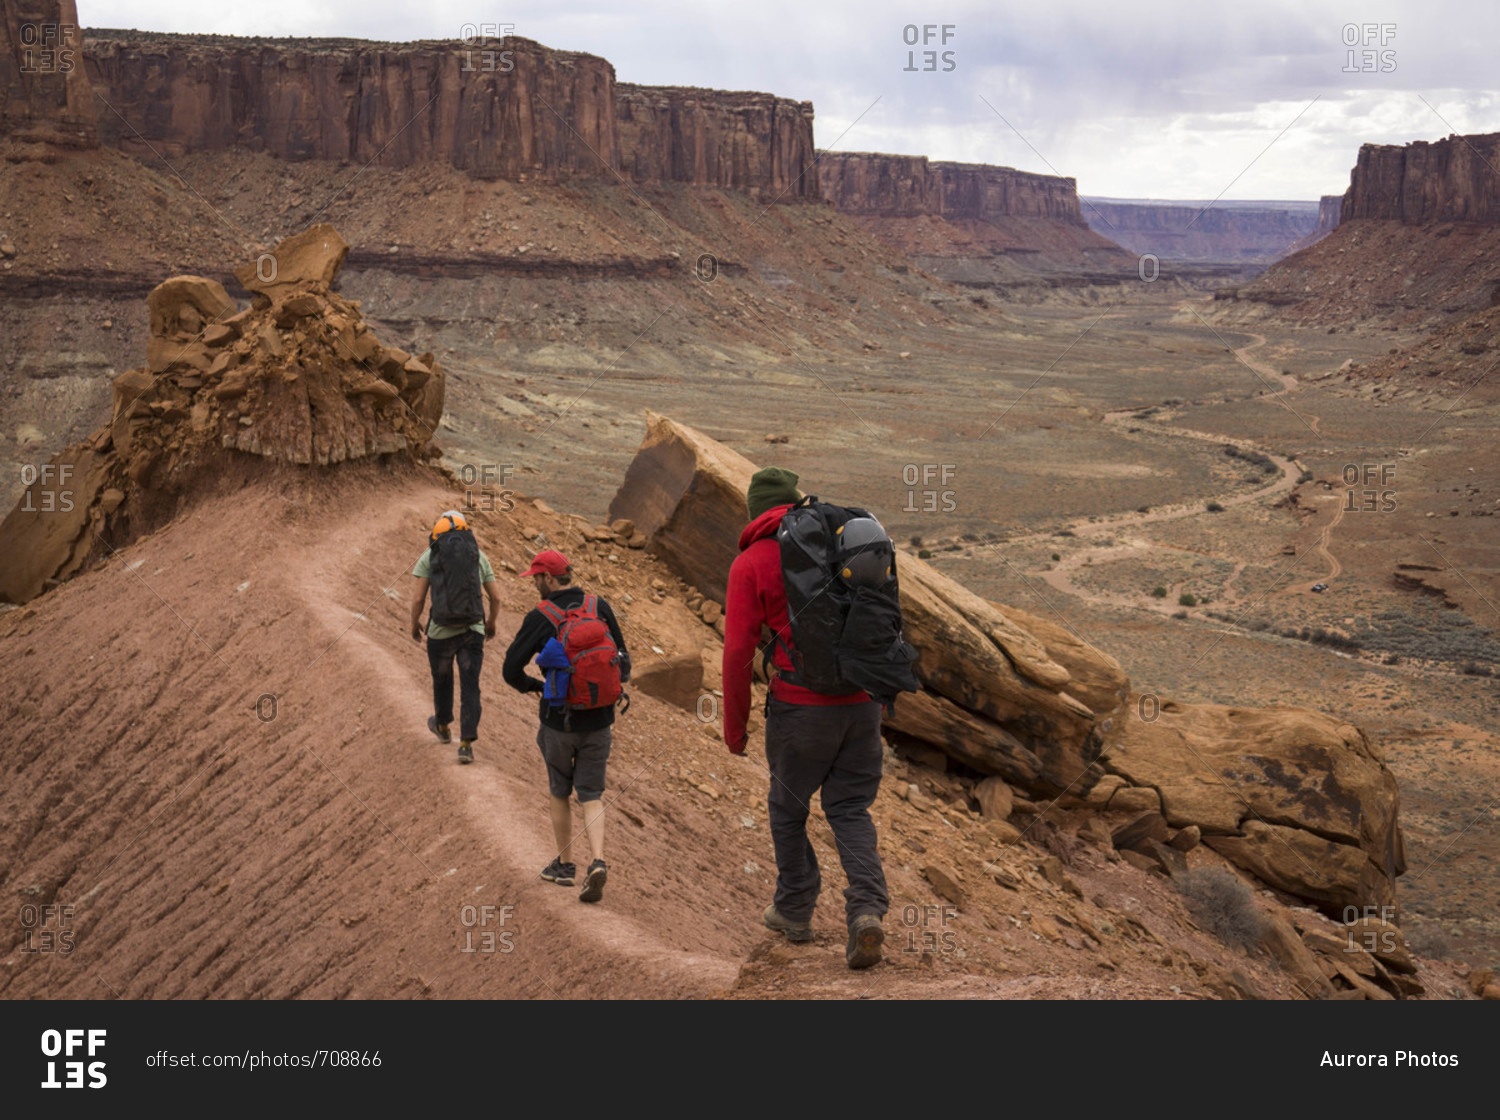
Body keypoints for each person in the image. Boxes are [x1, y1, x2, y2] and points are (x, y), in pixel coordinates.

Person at [722, 467, 889, 969]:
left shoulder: (751, 562)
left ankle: (795, 909)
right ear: (795, 506)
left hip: (800, 710)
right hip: (861, 704)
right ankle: (866, 912)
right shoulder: (842, 544)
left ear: (756, 513)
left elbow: (737, 653)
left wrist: (736, 729)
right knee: (850, 809)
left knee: (788, 809)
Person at [503, 549, 629, 904]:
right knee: (592, 794)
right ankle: (598, 860)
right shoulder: (598, 606)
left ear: (547, 578)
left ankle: (564, 866)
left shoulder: (541, 616)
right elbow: (623, 656)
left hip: (558, 720)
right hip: (600, 720)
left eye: (536, 578)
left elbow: (510, 670)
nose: (535, 584)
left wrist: (538, 688)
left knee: (559, 790)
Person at [409, 510, 501, 765]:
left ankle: (443, 727)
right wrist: (490, 623)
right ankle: (466, 745)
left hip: (440, 633)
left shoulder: (429, 556)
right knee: (470, 686)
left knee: (442, 679)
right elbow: (496, 597)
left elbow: (418, 598)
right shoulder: (478, 556)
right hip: (472, 632)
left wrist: (413, 624)